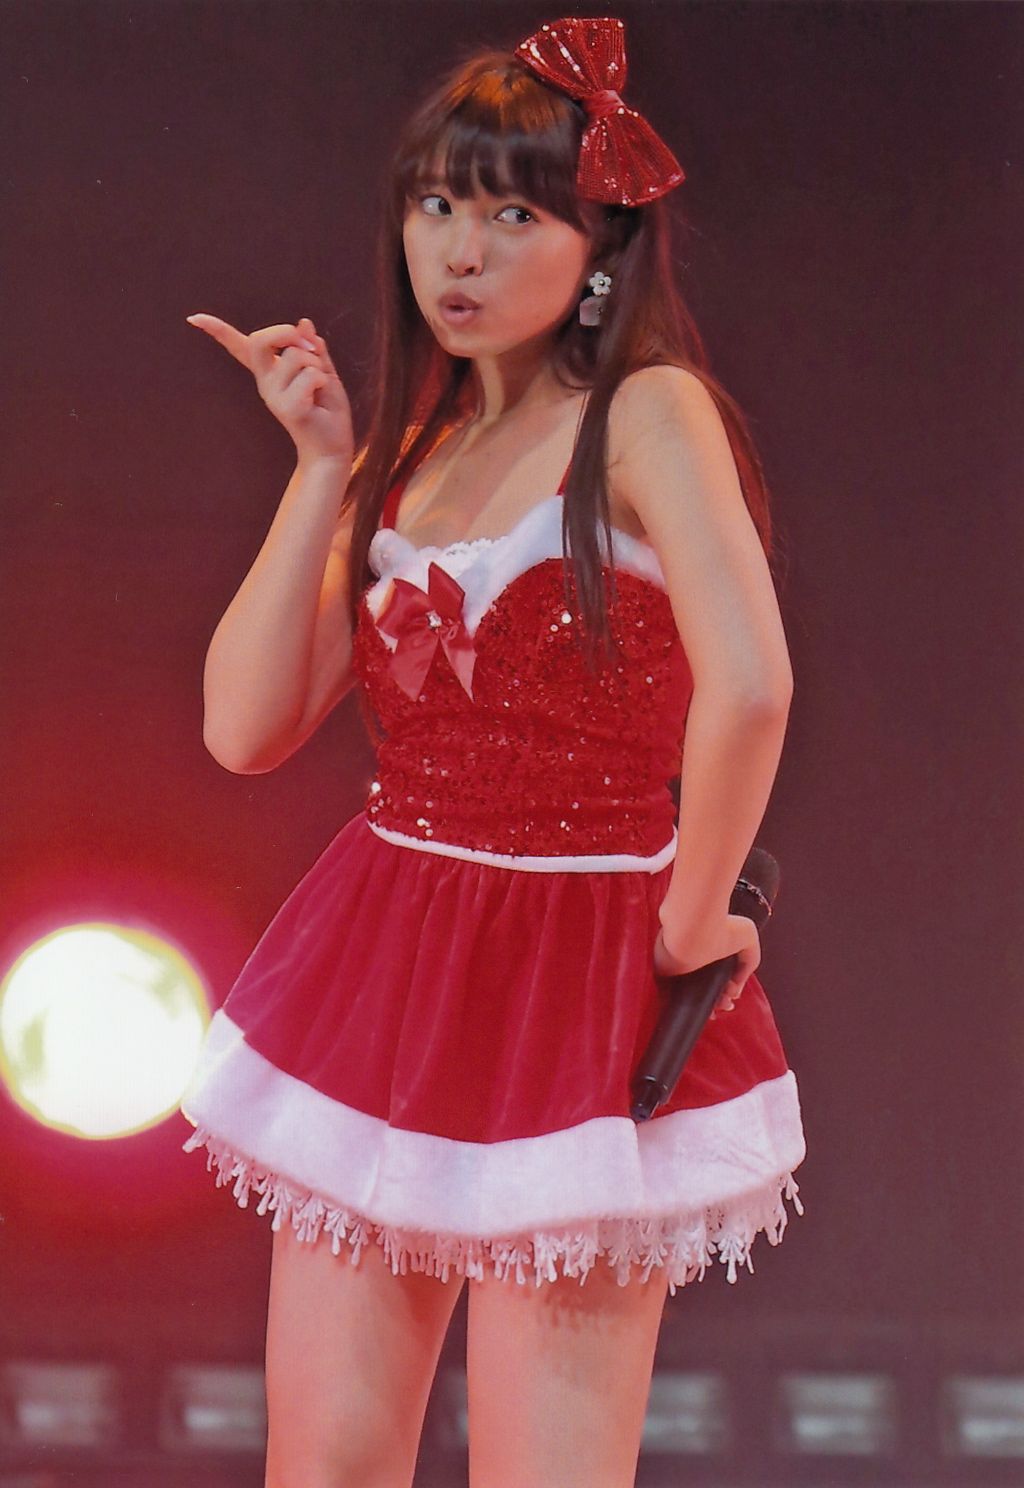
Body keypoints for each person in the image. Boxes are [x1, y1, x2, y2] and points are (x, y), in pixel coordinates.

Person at [179, 15, 807, 1488]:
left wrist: (693, 919)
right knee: (321, 1467)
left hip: (581, 968)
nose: (459, 250)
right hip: (387, 959)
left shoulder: (646, 415)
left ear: (598, 250)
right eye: (436, 204)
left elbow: (753, 687)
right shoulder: (409, 455)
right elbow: (243, 729)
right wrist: (319, 469)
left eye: (513, 214)